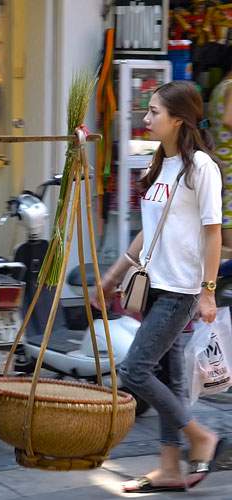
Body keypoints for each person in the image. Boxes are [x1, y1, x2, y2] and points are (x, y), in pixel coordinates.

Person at [95, 81, 227, 493]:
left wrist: (207, 291)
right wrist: (114, 274)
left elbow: (213, 234)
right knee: (167, 378)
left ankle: (199, 437)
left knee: (134, 369)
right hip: (153, 286)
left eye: (154, 112)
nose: (146, 118)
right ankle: (169, 467)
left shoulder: (201, 168)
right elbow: (147, 232)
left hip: (182, 291)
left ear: (178, 120)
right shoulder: (162, 164)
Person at [209, 70, 232, 249]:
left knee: (225, 209)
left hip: (221, 156)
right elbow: (228, 119)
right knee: (229, 213)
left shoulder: (219, 88)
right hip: (229, 160)